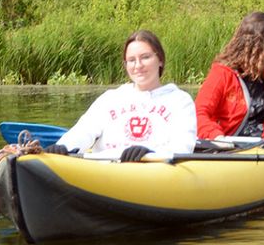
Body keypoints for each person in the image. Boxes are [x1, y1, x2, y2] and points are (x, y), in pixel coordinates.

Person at [52, 29, 197, 161]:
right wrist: (64, 147)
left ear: (160, 60)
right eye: (132, 60)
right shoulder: (110, 98)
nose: (138, 66)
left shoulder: (180, 101)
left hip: (155, 170)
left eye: (145, 57)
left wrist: (151, 153)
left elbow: (183, 147)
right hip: (105, 170)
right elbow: (84, 131)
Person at [195, 11, 264, 140]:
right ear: (259, 43)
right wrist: (215, 136)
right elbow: (199, 113)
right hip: (230, 148)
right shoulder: (221, 74)